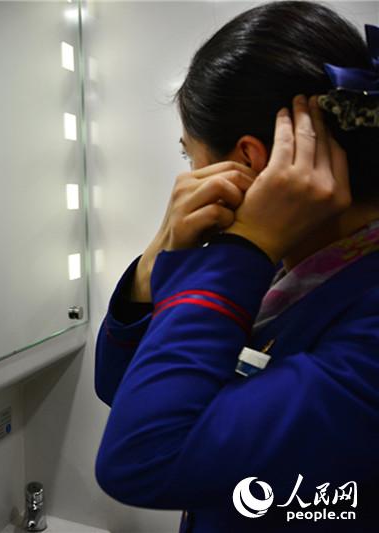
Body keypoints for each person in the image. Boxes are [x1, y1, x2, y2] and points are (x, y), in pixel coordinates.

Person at [94, 2, 378, 532]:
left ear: (249, 160)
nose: (189, 179)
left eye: (190, 156)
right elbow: (122, 387)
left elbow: (142, 457)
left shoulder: (361, 314)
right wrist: (157, 258)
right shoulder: (284, 271)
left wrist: (243, 246)